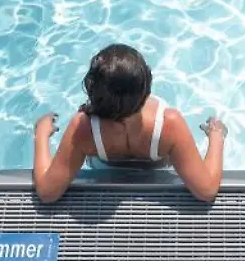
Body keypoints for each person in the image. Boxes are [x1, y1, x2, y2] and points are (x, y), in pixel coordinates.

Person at [33, 43, 227, 203]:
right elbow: (207, 190)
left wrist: (41, 135)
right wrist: (216, 137)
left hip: (104, 172)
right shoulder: (169, 124)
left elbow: (47, 192)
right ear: (146, 86)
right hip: (158, 172)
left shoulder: (84, 128)